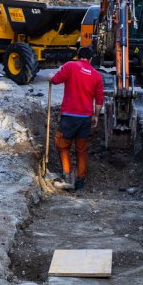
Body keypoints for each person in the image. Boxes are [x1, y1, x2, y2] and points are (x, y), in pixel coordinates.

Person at [49, 46, 104, 191]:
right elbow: (99, 100)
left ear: (78, 56)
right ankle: (80, 180)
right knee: (81, 149)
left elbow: (55, 80)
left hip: (69, 116)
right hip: (85, 117)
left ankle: (67, 174)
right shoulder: (96, 75)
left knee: (62, 145)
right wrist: (96, 116)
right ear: (91, 59)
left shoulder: (70, 66)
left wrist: (50, 78)